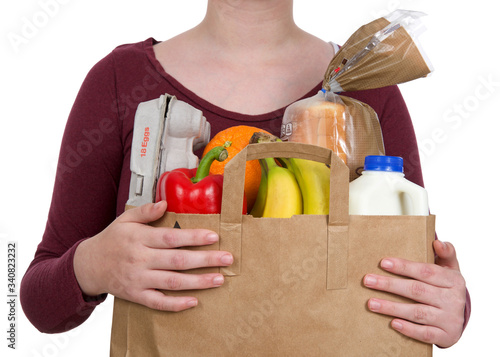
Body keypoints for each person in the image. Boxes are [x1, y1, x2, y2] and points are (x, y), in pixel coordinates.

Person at [20, 0, 470, 349]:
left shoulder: (367, 85)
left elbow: (415, 279)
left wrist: (453, 307)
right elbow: (40, 303)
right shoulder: (119, 81)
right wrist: (94, 265)